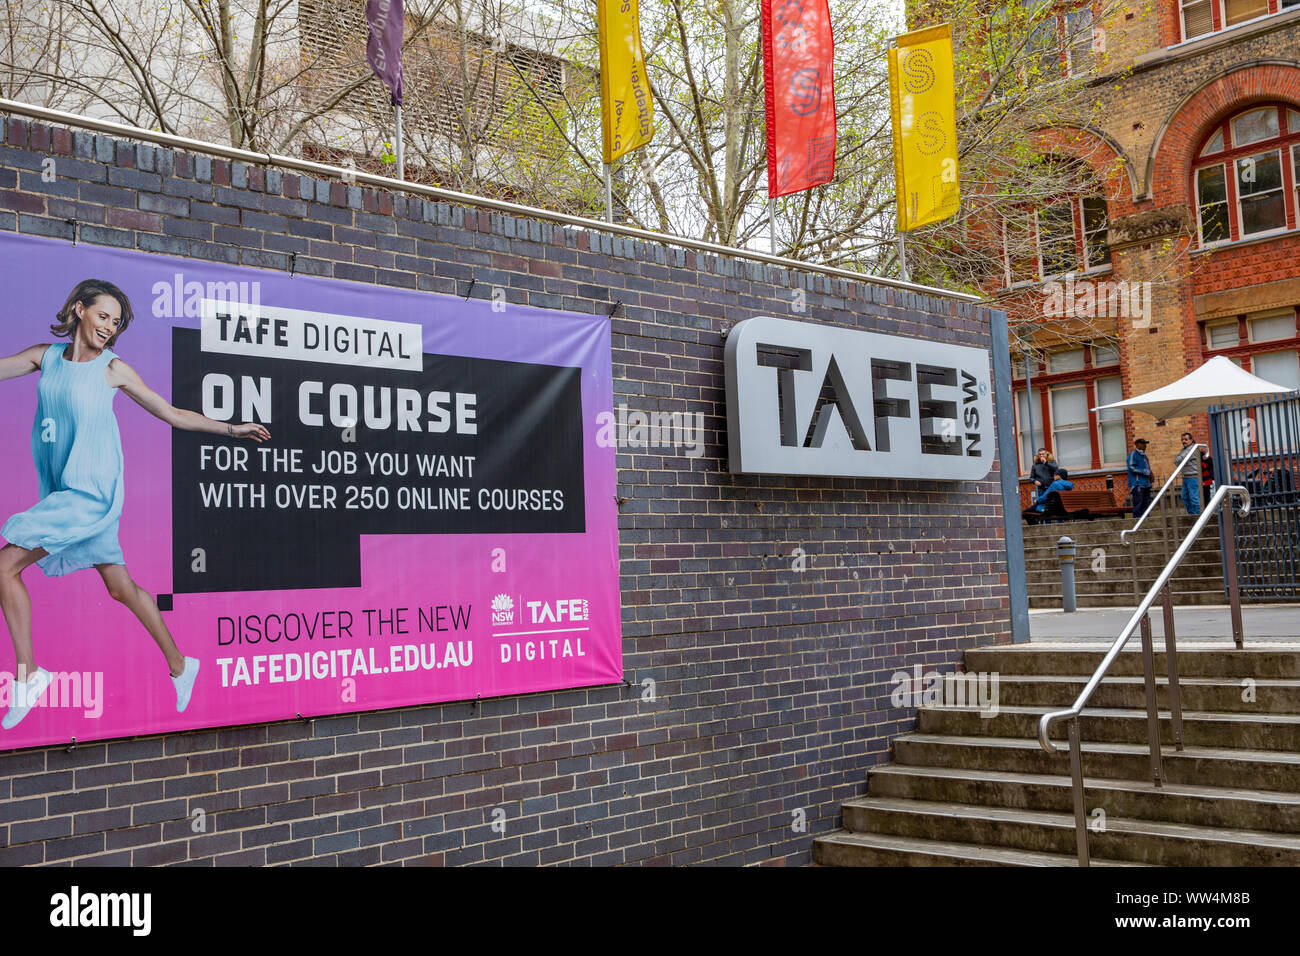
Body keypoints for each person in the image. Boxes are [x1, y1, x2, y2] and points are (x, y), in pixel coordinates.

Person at [0, 279, 271, 730]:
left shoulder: (113, 369)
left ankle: (28, 675)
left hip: (91, 493)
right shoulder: (44, 357)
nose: (109, 327)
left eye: (116, 322)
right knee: (120, 587)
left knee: (5, 566)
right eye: (103, 316)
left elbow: (170, 412)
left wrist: (230, 429)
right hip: (65, 490)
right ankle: (182, 664)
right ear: (79, 310)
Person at [1176, 432, 1202, 516]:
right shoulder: (1184, 450)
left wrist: (1182, 462)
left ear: (1191, 440)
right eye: (1182, 440)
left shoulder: (1193, 449)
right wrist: (1182, 461)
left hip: (1193, 477)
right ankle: (1192, 515)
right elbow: (1176, 461)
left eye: (1186, 439)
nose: (1184, 441)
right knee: (1184, 497)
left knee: (1194, 498)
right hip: (1185, 476)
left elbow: (1180, 459)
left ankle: (1197, 515)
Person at [1127, 437, 1153, 519]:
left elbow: (1148, 468)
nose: (1145, 445)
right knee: (1138, 503)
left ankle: (1146, 519)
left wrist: (1151, 474)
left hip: (1146, 484)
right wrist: (1146, 472)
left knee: (1146, 503)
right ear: (1137, 445)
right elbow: (1131, 467)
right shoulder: (1133, 454)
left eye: (1145, 444)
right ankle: (1137, 520)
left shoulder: (1144, 455)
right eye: (1143, 443)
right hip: (1137, 484)